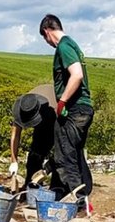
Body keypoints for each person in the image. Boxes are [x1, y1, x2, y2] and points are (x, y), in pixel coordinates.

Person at [39, 14, 93, 208]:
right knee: (76, 154)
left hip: (74, 110)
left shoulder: (63, 46)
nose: (48, 44)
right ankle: (84, 198)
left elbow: (76, 75)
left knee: (64, 156)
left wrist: (62, 101)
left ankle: (78, 204)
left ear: (47, 31)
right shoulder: (73, 45)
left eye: (45, 39)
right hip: (84, 108)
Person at [9, 84, 58, 187]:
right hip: (41, 117)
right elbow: (15, 134)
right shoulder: (24, 107)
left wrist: (50, 164)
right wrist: (14, 160)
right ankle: (30, 187)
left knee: (61, 163)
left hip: (58, 119)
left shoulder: (53, 110)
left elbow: (63, 141)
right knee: (34, 157)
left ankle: (57, 189)